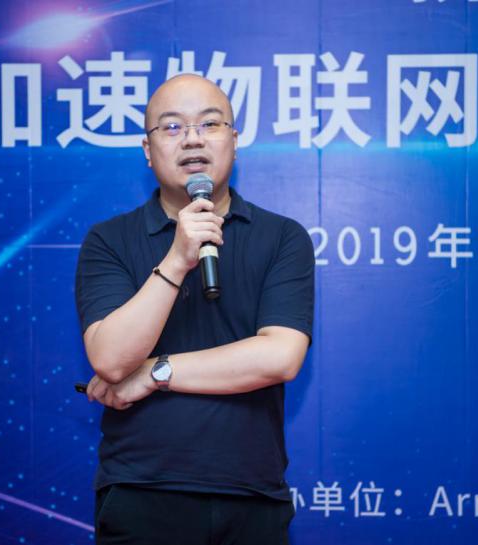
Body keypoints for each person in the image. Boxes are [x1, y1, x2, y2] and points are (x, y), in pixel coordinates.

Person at [75, 74, 314, 544]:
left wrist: (155, 372)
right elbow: (111, 360)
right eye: (172, 127)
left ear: (234, 141)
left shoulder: (283, 237)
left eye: (209, 124)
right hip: (142, 492)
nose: (192, 139)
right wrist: (176, 260)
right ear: (147, 150)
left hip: (252, 496)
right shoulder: (109, 240)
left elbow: (280, 357)